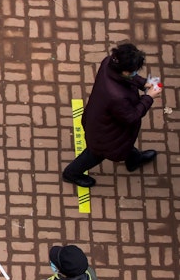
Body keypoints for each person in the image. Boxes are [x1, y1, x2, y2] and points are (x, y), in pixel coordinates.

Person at [62, 43, 162, 187]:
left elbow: (127, 76)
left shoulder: (109, 62)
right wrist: (149, 97)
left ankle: (133, 159)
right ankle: (71, 173)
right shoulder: (117, 97)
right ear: (126, 71)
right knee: (95, 154)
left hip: (100, 121)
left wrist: (144, 83)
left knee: (122, 144)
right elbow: (131, 116)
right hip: (105, 134)